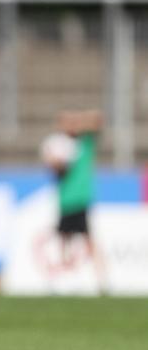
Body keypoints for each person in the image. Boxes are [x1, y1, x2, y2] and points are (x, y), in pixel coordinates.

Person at [40, 109, 105, 287]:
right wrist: (57, 163)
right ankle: (62, 279)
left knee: (88, 238)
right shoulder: (59, 145)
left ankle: (101, 279)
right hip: (65, 200)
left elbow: (97, 120)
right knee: (63, 240)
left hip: (81, 199)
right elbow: (54, 167)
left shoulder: (85, 143)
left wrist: (77, 120)